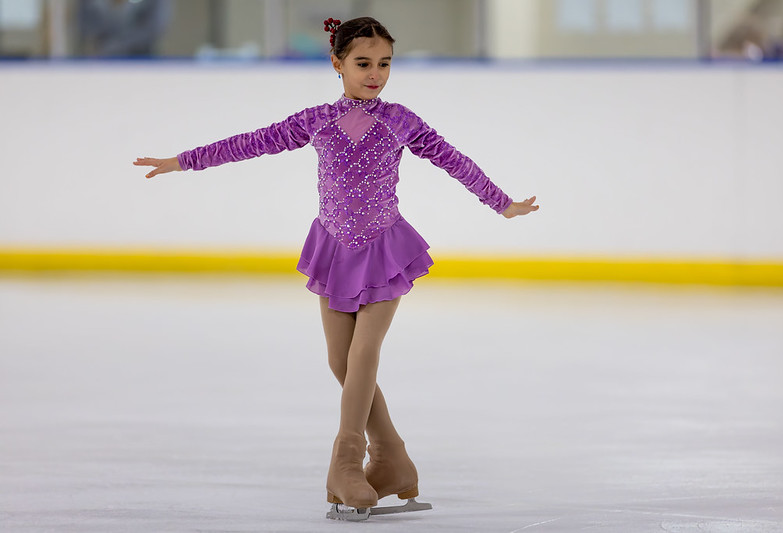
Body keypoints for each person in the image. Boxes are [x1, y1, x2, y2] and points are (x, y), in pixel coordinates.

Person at [134, 16, 538, 521]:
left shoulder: (400, 120)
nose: (375, 74)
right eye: (363, 63)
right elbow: (252, 141)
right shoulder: (316, 120)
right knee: (340, 362)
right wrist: (184, 161)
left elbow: (452, 160)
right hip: (333, 247)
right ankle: (392, 461)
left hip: (386, 249)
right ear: (338, 64)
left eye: (385, 64)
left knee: (364, 354)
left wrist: (501, 204)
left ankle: (346, 463)